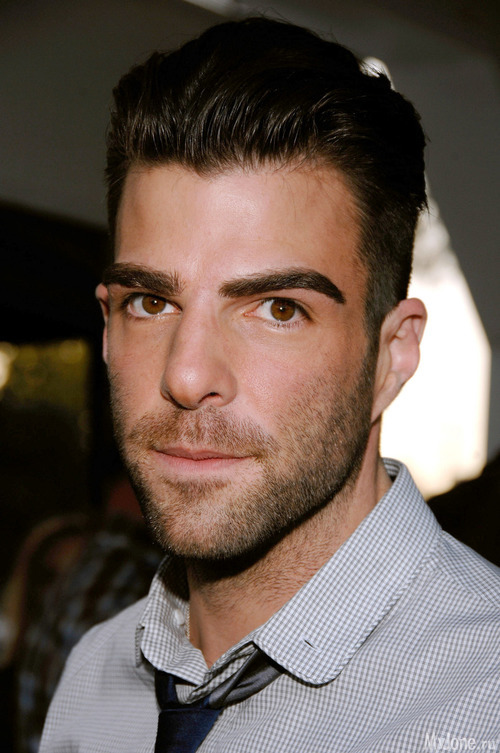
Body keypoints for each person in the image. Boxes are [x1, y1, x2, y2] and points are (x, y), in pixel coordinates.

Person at [40, 16, 500, 753]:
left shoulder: (483, 702)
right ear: (105, 324)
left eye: (278, 309)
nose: (187, 375)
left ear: (393, 355)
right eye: (150, 302)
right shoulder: (95, 675)